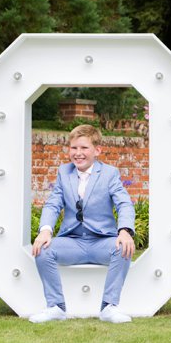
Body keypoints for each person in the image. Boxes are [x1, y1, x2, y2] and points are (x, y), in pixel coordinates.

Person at [30, 124, 136, 323]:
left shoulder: (110, 173)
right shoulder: (64, 172)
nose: (78, 153)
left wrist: (124, 231)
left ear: (97, 150)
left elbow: (124, 204)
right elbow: (53, 204)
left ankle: (109, 307)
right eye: (74, 148)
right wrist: (45, 231)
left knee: (123, 248)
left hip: (102, 241)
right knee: (43, 250)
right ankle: (56, 307)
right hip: (72, 241)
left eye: (84, 148)